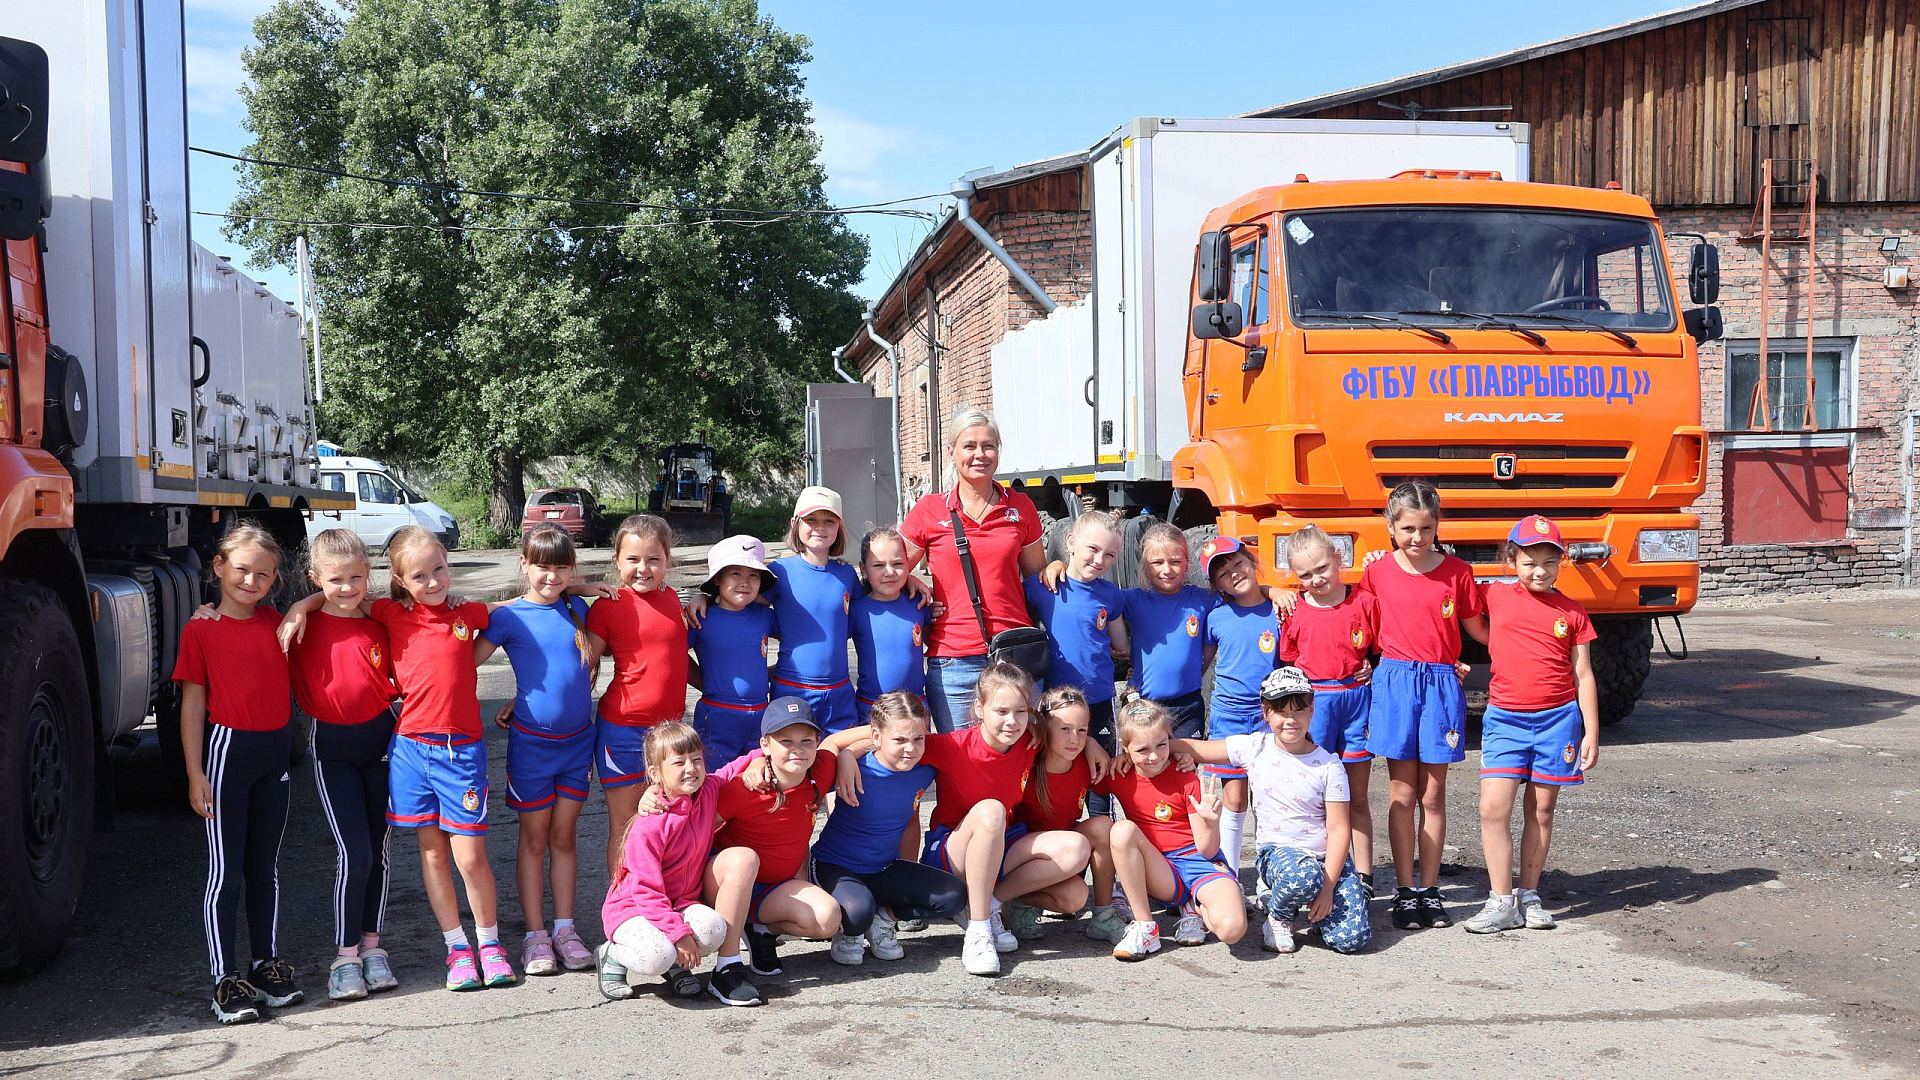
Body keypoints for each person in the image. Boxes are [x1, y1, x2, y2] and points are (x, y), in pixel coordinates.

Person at [281, 524, 513, 991]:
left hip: (442, 749)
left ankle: (484, 944)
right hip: (402, 750)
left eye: (439, 570)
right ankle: (444, 951)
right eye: (419, 576)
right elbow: (330, 599)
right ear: (401, 582)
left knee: (463, 858)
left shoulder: (452, 612)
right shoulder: (380, 613)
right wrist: (296, 606)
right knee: (406, 853)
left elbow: (522, 610)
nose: (432, 581)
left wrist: (583, 588)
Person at [827, 661, 1095, 976]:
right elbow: (889, 735)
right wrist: (845, 754)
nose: (1012, 721)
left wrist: (1091, 745)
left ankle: (988, 901)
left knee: (1077, 851)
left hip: (1002, 842)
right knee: (990, 809)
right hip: (951, 851)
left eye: (1020, 712)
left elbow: (1062, 731)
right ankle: (978, 932)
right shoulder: (952, 746)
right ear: (979, 708)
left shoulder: (1027, 740)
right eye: (1001, 712)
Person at [176, 523, 302, 1023]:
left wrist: (300, 606)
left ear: (275, 580)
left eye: (264, 574)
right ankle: (225, 979)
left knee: (264, 868)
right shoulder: (201, 629)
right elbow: (191, 704)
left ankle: (264, 964)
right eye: (242, 570)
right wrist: (194, 772)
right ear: (219, 568)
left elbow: (328, 602)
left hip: (274, 755)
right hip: (228, 753)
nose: (251, 580)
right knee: (225, 870)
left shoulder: (279, 622)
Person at [1171, 667, 1372, 955]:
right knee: (1302, 877)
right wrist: (1157, 750)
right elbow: (1195, 748)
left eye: (1299, 710)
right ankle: (1279, 917)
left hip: (1325, 860)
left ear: (1312, 709)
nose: (1290, 720)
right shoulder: (1255, 747)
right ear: (1266, 713)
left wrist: (1328, 889)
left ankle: (1319, 914)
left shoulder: (1330, 766)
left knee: (1352, 939)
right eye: (1280, 711)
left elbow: (1339, 830)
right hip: (1280, 856)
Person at [1360, 480, 1488, 930]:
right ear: (1390, 526)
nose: (1418, 538)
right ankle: (1403, 889)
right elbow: (1354, 623)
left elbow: (1481, 632)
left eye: (1427, 528)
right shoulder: (1375, 573)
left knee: (1434, 794)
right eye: (1408, 528)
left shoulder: (1458, 572)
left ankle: (1430, 892)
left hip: (1440, 683)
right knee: (1403, 793)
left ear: (1438, 525)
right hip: (1394, 682)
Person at [1464, 515, 1600, 935]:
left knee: (1541, 810)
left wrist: (1591, 731)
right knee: (1492, 808)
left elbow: (1584, 675)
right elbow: (1453, 592)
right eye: (1528, 562)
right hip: (1505, 718)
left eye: (1548, 562)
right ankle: (1501, 901)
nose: (1539, 571)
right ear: (1510, 559)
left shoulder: (1573, 612)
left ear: (1561, 563)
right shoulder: (1496, 596)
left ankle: (1530, 894)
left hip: (1559, 721)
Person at [474, 526, 600, 976]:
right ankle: (535, 936)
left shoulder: (579, 607)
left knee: (564, 839)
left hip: (577, 745)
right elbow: (463, 660)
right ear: (524, 564)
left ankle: (565, 929)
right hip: (532, 748)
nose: (552, 576)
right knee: (533, 839)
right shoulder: (508, 617)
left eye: (562, 568)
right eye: (543, 567)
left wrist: (579, 586)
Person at [288, 528, 400, 1002]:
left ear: (368, 573)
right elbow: (245, 619)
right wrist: (301, 606)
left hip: (381, 742)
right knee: (354, 853)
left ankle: (374, 949)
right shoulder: (301, 625)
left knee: (379, 851)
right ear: (315, 578)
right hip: (332, 747)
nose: (348, 588)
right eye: (335, 580)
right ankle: (345, 957)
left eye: (356, 577)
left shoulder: (381, 624)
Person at [898, 408, 1048, 732]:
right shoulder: (930, 510)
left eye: (988, 445)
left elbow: (1038, 579)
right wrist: (909, 578)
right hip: (954, 661)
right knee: (961, 768)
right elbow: (884, 570)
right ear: (951, 452)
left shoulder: (1020, 506)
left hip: (1015, 656)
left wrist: (1062, 565)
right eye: (969, 446)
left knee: (1017, 764)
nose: (980, 454)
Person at [596, 722, 765, 1006]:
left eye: (697, 759)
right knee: (655, 956)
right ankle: (612, 954)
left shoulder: (708, 790)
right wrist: (679, 934)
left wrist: (761, 756)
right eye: (679, 762)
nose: (691, 768)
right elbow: (646, 891)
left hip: (677, 904)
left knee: (714, 929)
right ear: (655, 773)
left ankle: (675, 964)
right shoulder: (648, 825)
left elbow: (737, 765)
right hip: (634, 911)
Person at [810, 692, 968, 966]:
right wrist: (847, 754)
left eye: (918, 739)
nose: (911, 748)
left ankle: (884, 919)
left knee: (953, 897)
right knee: (858, 913)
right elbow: (828, 748)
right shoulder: (852, 766)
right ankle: (851, 929)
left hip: (883, 868)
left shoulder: (924, 770)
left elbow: (909, 822)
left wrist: (906, 877)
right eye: (899, 740)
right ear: (876, 736)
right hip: (835, 866)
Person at [1096, 691, 1246, 960]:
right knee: (1120, 830)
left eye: (1162, 746)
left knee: (1232, 930)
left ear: (1170, 740)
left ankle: (1196, 906)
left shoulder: (1184, 775)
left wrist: (1212, 823)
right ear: (1125, 748)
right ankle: (1145, 926)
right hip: (1161, 870)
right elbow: (1072, 770)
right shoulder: (1117, 774)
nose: (1154, 757)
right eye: (1142, 749)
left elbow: (1208, 850)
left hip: (1199, 860)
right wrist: (1089, 746)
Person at [1276, 526, 1381, 895]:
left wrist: (1372, 663)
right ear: (1294, 576)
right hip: (1316, 705)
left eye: (1322, 568)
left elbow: (1381, 647)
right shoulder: (1294, 611)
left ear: (1339, 559)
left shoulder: (1364, 602)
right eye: (1305, 575)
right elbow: (1289, 661)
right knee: (1315, 797)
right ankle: (1319, 872)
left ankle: (1365, 877)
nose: (1316, 579)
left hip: (1356, 701)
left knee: (1356, 796)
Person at [585, 514, 689, 875]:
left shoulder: (675, 599)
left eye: (653, 560)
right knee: (627, 823)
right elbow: (583, 666)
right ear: (617, 561)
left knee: (665, 821)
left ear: (668, 561)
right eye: (632, 559)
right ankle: (622, 909)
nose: (643, 569)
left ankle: (658, 901)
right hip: (623, 732)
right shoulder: (608, 606)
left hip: (670, 734)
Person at [707, 698, 842, 976]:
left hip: (771, 889)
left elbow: (855, 737)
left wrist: (848, 756)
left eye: (806, 740)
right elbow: (697, 831)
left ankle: (758, 930)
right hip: (723, 883)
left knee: (827, 918)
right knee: (745, 859)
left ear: (817, 741)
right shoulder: (745, 786)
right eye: (786, 741)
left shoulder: (821, 770)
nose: (797, 750)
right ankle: (727, 967)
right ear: (765, 745)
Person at [1022, 511, 1125, 816]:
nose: (1099, 560)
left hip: (1100, 702)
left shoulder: (1111, 595)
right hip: (1056, 705)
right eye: (1092, 549)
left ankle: (1100, 837)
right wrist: (1052, 566)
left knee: (1100, 777)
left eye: (1109, 555)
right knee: (1055, 772)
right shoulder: (1044, 586)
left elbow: (1120, 644)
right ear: (1070, 542)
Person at [1197, 535, 1281, 892]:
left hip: (1267, 719)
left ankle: (1267, 876)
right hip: (1228, 716)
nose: (1234, 574)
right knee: (1233, 798)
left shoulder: (1279, 610)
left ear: (1251, 560)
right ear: (1216, 585)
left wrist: (1274, 590)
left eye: (1237, 563)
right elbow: (1200, 665)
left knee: (1268, 796)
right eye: (1223, 573)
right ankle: (1230, 876)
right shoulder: (1215, 617)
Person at [1014, 686, 1124, 943]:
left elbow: (1130, 786)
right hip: (1019, 857)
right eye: (1065, 729)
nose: (1074, 739)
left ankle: (1103, 915)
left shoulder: (1088, 762)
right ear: (1043, 726)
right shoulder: (1025, 759)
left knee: (1102, 829)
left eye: (1082, 730)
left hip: (1061, 859)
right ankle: (1007, 900)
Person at [1117, 523, 1217, 740]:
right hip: (1146, 705)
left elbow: (1240, 596)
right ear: (1145, 565)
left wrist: (1270, 590)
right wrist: (1113, 644)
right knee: (1149, 766)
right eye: (1157, 562)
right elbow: (1093, 601)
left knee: (1185, 766)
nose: (1166, 570)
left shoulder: (1202, 598)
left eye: (1175, 562)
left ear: (1187, 563)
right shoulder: (1133, 599)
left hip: (1189, 705)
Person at [686, 535, 778, 765]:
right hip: (717, 716)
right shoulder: (701, 618)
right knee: (713, 783)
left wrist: (770, 672)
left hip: (760, 714)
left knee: (757, 783)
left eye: (753, 575)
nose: (745, 582)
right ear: (717, 578)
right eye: (735, 573)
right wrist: (704, 681)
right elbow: (675, 654)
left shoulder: (765, 616)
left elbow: (797, 640)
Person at [850, 526, 931, 724]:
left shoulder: (920, 604)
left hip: (916, 709)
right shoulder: (856, 609)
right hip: (873, 708)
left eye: (897, 563)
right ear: (863, 569)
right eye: (878, 565)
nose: (890, 572)